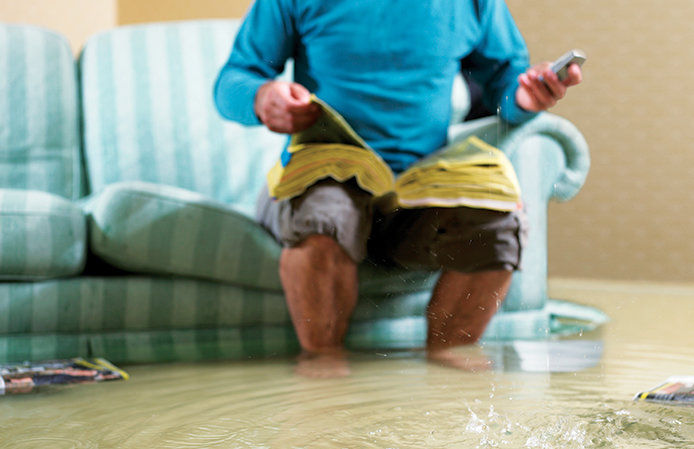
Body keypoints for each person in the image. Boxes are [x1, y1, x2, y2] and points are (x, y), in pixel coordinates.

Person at [214, 0, 582, 373]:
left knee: (500, 225)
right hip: (326, 173)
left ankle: (448, 360)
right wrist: (261, 98)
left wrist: (524, 99)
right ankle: (322, 363)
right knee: (324, 216)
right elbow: (234, 79)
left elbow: (506, 87)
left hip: (420, 186)